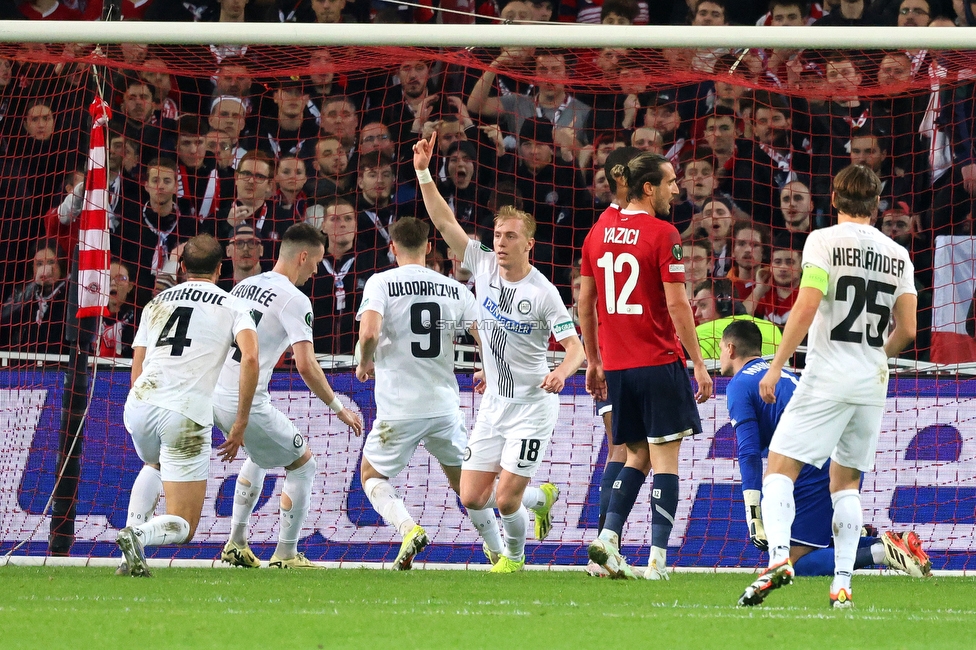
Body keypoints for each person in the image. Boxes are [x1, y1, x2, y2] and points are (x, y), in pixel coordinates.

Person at [738, 165, 918, 609]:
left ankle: (779, 559)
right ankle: (842, 584)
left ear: (833, 199)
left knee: (779, 467)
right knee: (847, 484)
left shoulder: (822, 240)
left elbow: (807, 304)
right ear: (875, 205)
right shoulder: (899, 254)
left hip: (827, 374)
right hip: (872, 381)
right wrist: (876, 355)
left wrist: (777, 366)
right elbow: (909, 329)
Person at [414, 132, 585, 573]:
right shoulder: (484, 265)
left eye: (511, 236)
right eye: (498, 234)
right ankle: (540, 497)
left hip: (532, 406)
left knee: (505, 500)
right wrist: (422, 172)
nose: (502, 241)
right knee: (472, 495)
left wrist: (562, 373)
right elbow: (444, 223)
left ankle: (514, 557)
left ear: (529, 243)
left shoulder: (544, 293)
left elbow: (576, 350)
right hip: (494, 404)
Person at [579, 151, 712, 580]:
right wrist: (698, 363)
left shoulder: (597, 234)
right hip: (657, 360)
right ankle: (657, 561)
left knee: (635, 454)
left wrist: (595, 360)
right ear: (649, 188)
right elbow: (677, 303)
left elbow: (586, 302)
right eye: (672, 181)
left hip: (617, 367)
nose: (678, 188)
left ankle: (608, 538)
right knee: (666, 460)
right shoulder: (663, 232)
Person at [719, 320, 932, 579]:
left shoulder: (739, 385)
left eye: (720, 349)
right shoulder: (784, 374)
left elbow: (749, 452)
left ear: (730, 349)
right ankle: (897, 544)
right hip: (837, 455)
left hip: (810, 462)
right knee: (818, 542)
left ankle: (882, 552)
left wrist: (752, 511)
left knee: (792, 562)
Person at [355, 216, 503, 570]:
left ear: (392, 247)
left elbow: (369, 333)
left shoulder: (381, 282)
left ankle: (408, 528)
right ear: (430, 247)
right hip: (443, 406)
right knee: (466, 486)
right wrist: (491, 371)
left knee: (371, 476)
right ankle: (500, 550)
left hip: (399, 409)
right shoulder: (454, 288)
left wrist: (364, 361)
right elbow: (487, 337)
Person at [217, 223, 363, 569]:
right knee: (303, 464)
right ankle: (286, 553)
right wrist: (338, 407)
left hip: (215, 391)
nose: (315, 271)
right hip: (245, 399)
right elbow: (306, 365)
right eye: (315, 262)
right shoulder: (295, 299)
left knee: (260, 455)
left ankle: (236, 543)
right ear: (302, 256)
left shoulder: (245, 285)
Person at [116, 234, 259, 577]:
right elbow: (251, 357)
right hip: (183, 413)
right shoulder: (233, 304)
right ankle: (138, 534)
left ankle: (127, 558)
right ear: (220, 269)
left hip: (139, 404)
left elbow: (138, 364)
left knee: (154, 462)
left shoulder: (157, 301)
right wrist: (240, 422)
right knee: (184, 525)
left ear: (181, 267)